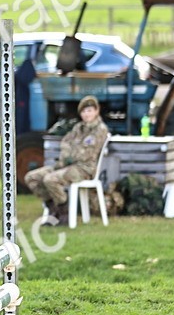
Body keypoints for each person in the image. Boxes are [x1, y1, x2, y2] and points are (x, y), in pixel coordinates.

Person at [24, 95, 110, 225]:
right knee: (32, 177)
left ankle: (64, 213)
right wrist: (69, 153)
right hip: (65, 165)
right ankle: (53, 209)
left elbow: (86, 154)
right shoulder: (78, 128)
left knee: (50, 179)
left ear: (96, 111)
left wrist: (70, 153)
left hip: (84, 169)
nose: (87, 114)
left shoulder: (100, 130)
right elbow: (65, 142)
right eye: (84, 111)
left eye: (90, 110)